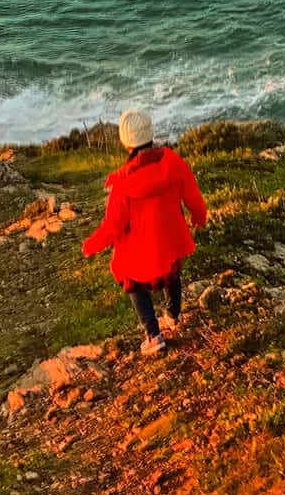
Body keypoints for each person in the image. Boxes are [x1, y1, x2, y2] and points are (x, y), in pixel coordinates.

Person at [81, 109, 208, 357]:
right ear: (151, 134)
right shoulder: (173, 163)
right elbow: (193, 195)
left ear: (125, 142)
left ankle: (154, 335)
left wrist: (91, 245)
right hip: (170, 243)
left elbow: (114, 226)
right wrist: (198, 216)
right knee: (173, 271)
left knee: (131, 282)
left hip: (140, 256)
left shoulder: (122, 185)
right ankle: (172, 314)